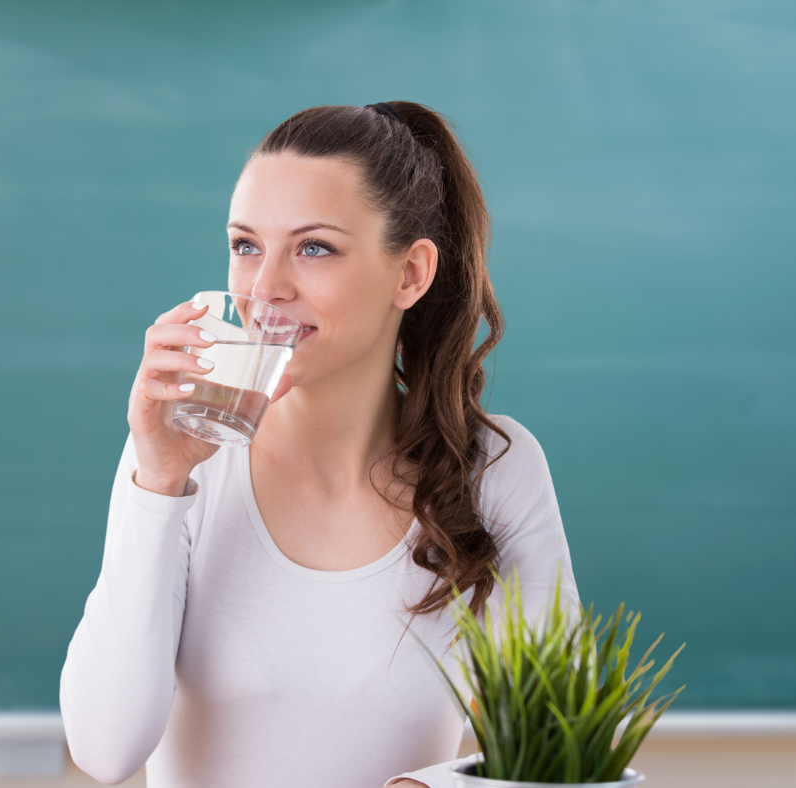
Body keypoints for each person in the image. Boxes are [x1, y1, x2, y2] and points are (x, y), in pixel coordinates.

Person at [59, 101, 580, 788]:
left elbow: (558, 749)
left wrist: (435, 787)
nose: (265, 288)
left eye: (314, 248)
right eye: (245, 246)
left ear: (411, 275)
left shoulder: (495, 470)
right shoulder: (184, 465)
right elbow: (103, 750)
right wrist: (156, 482)